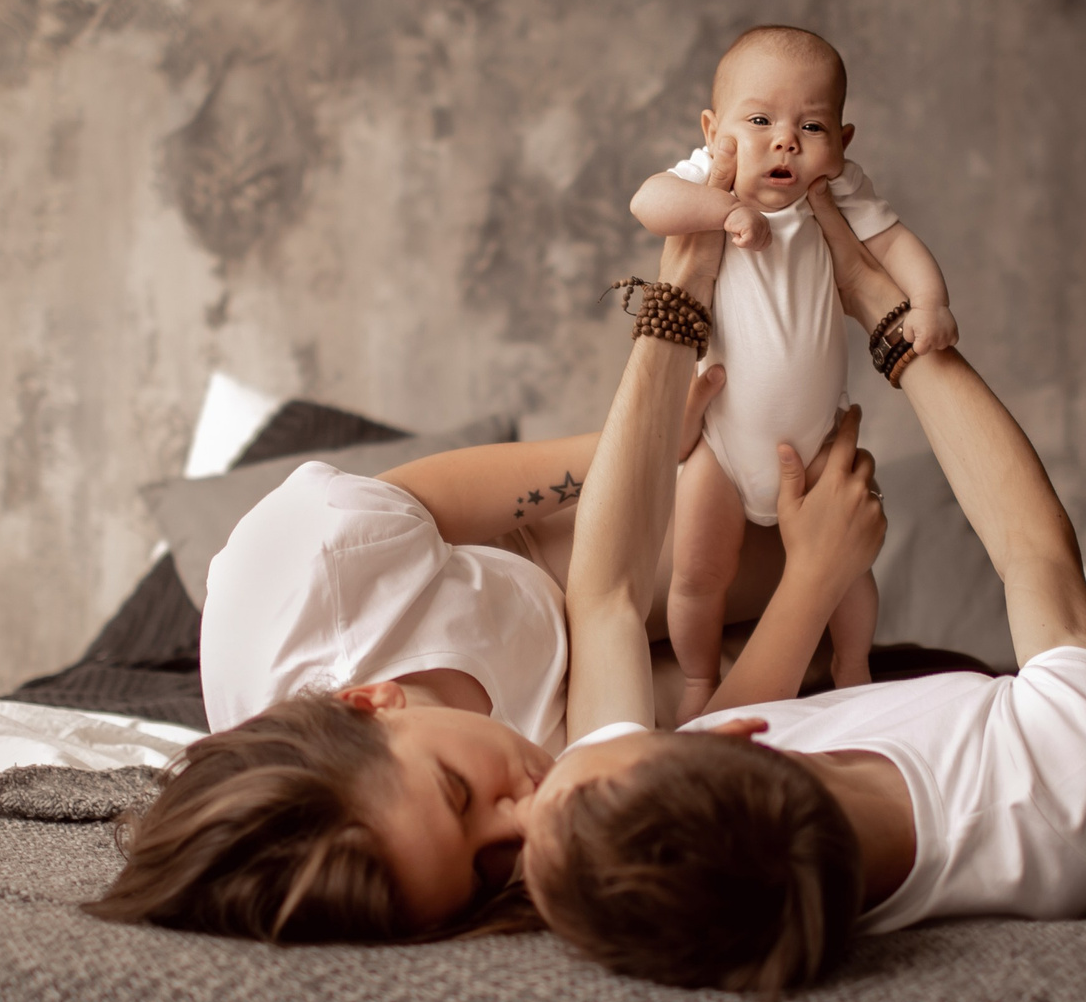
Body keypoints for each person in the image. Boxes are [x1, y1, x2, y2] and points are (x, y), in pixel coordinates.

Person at [89, 221, 883, 941]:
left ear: (370, 702)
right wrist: (814, 582)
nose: (522, 818)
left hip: (532, 555)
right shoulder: (499, 844)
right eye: (482, 867)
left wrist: (623, 451)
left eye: (460, 795)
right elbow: (676, 763)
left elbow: (436, 497)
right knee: (800, 627)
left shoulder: (310, 573)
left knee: (775, 491)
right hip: (579, 691)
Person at [518, 180, 1086, 998]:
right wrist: (881, 310)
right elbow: (1035, 551)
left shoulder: (678, 843)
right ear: (739, 734)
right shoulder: (1057, 795)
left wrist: (685, 287)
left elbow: (605, 596)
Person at [629, 26, 955, 722]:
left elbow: (897, 243)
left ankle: (851, 663)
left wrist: (929, 302)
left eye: (811, 125)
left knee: (850, 572)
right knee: (696, 574)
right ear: (715, 132)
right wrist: (723, 209)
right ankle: (698, 679)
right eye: (760, 120)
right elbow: (649, 203)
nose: (785, 140)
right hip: (721, 443)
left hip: (814, 441)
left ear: (842, 140)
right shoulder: (710, 183)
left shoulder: (837, 194)